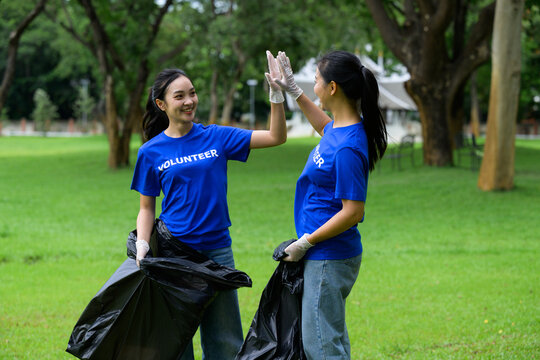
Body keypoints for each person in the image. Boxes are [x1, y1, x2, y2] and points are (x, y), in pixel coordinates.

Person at [130, 51, 287, 360]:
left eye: (192, 93)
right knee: (177, 338)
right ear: (162, 105)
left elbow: (275, 137)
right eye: (180, 96)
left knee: (225, 340)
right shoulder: (150, 152)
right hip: (175, 255)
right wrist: (143, 244)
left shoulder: (216, 136)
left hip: (217, 252)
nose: (189, 101)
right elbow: (147, 207)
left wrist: (276, 95)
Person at [269, 50, 387, 358]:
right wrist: (294, 91)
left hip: (328, 257)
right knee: (329, 339)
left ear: (333, 88)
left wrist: (306, 242)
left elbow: (354, 211)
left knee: (320, 345)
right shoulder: (340, 129)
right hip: (324, 254)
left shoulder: (349, 146)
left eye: (316, 81)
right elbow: (324, 127)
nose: (314, 86)